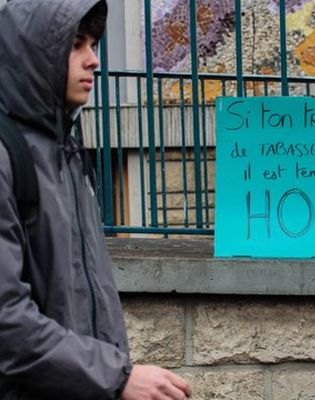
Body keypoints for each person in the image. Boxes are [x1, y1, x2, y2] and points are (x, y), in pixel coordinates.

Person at [0, 1, 192, 399]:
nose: (94, 61)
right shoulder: (9, 155)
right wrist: (117, 378)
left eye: (95, 45)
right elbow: (6, 322)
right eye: (76, 45)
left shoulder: (66, 152)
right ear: (34, 53)